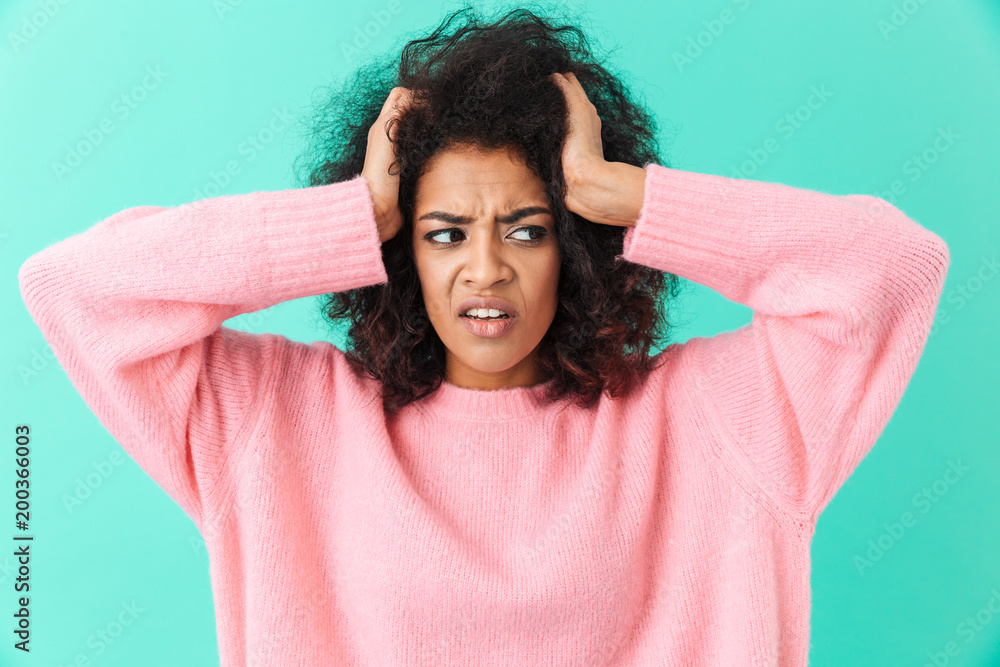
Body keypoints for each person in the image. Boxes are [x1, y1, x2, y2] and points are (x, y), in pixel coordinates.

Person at [17, 6, 949, 666]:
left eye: (530, 228)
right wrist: (349, 218)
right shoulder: (280, 421)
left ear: (577, 247)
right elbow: (77, 287)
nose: (486, 268)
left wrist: (628, 196)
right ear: (400, 250)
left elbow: (892, 267)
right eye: (444, 232)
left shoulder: (718, 422)